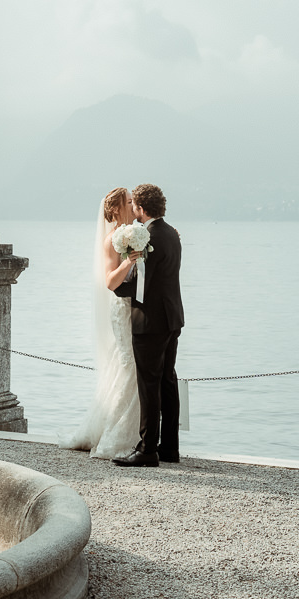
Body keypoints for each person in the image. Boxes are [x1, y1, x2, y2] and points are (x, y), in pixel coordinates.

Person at [59, 187, 143, 460]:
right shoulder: (112, 240)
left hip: (138, 307)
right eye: (128, 202)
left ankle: (138, 433)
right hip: (121, 309)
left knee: (127, 365)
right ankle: (119, 437)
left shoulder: (137, 234)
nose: (133, 205)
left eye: (133, 201)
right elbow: (110, 282)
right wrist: (130, 261)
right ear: (116, 209)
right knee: (129, 364)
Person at [113, 183, 184, 468]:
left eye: (134, 206)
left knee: (149, 384)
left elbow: (141, 284)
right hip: (172, 317)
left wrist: (118, 289)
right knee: (168, 381)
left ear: (141, 209)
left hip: (151, 321)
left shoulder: (148, 238)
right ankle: (170, 448)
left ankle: (147, 449)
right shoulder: (171, 234)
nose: (132, 210)